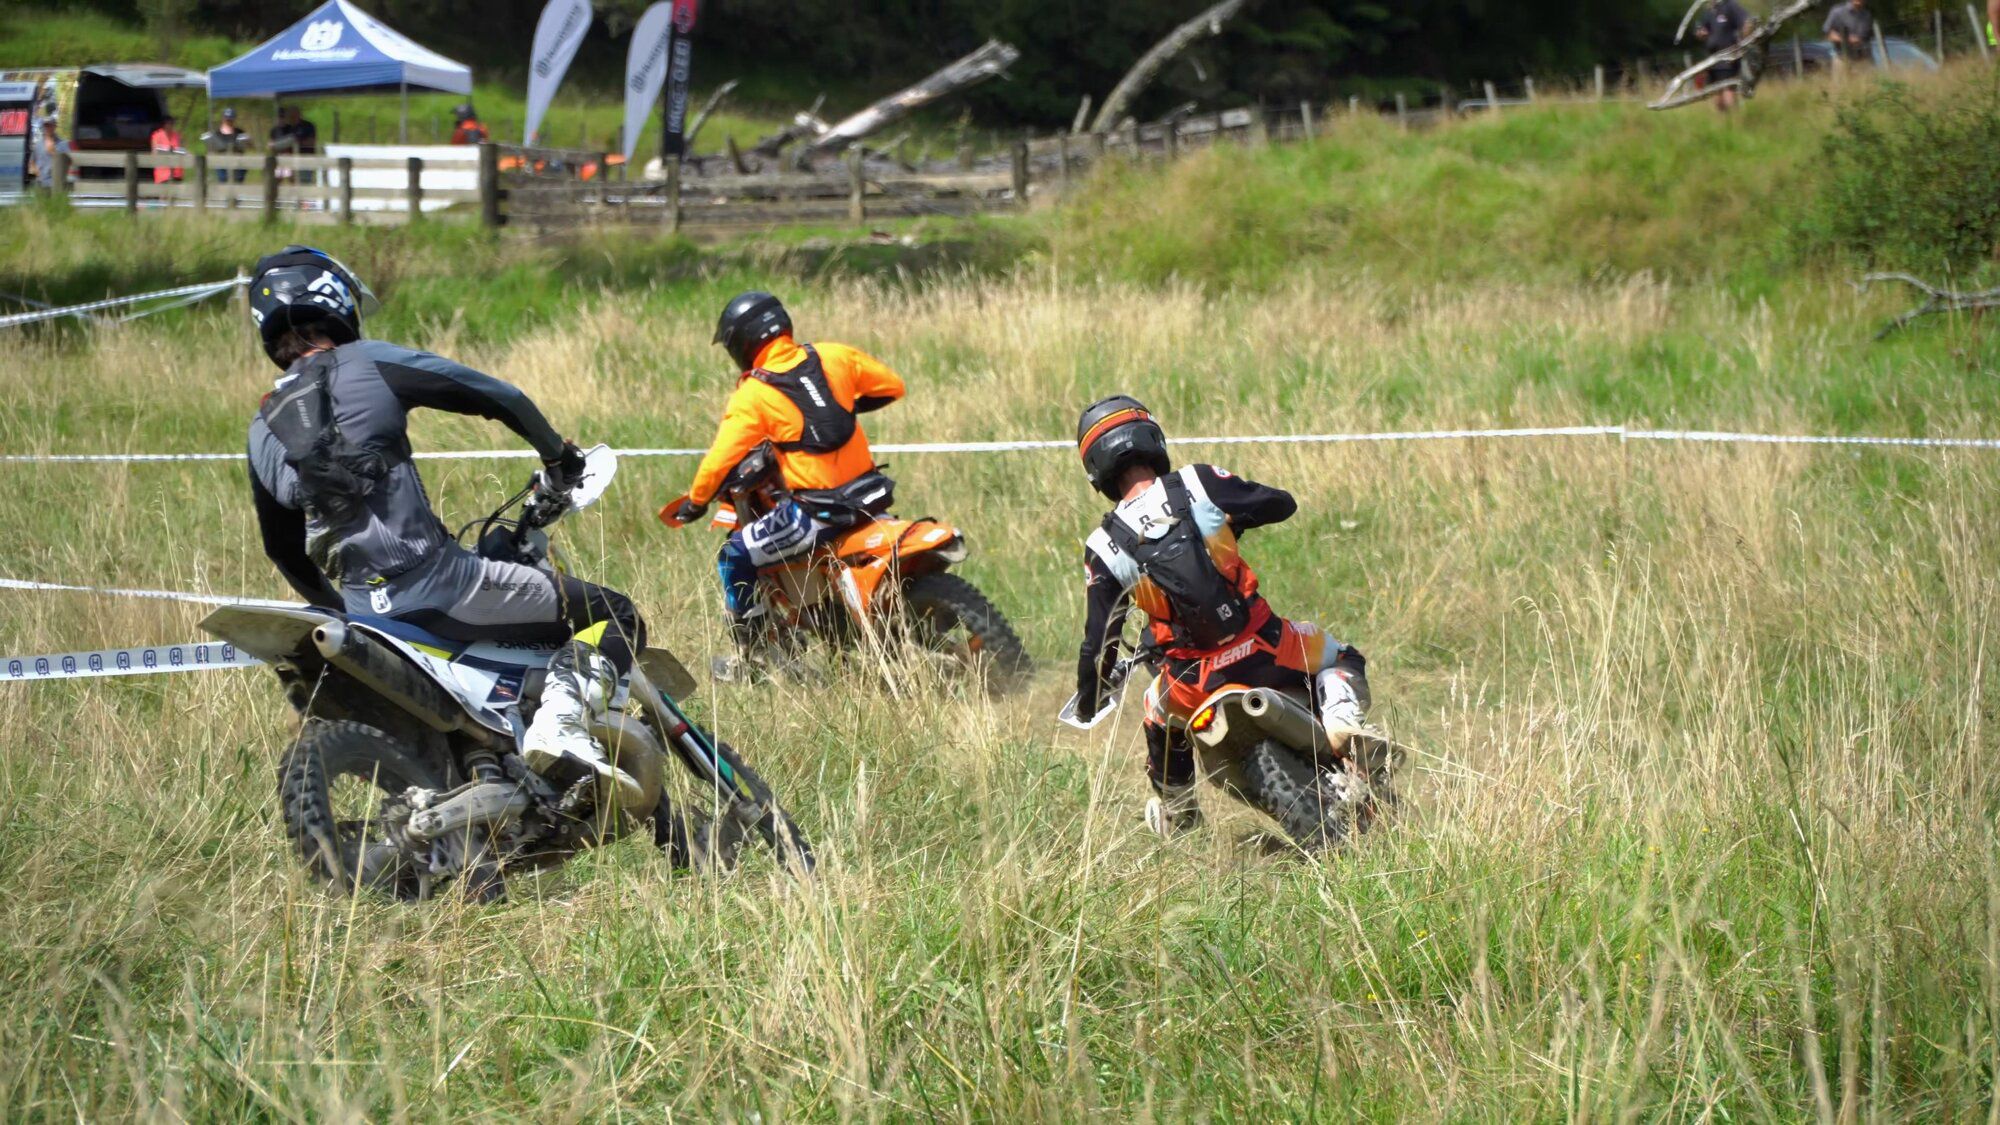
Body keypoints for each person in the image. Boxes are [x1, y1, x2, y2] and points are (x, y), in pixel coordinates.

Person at [243, 246, 649, 802]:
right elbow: (497, 396)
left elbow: (282, 550)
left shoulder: (261, 428)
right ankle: (561, 724)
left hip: (367, 613)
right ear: (336, 299)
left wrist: (349, 614)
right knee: (616, 616)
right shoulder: (369, 361)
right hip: (446, 587)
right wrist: (558, 457)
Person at [1068, 396, 1371, 837]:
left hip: (1193, 683)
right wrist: (1233, 519)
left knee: (1154, 710)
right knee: (1341, 657)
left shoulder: (1103, 546)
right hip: (1267, 647)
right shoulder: (1199, 482)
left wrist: (1088, 699)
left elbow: (1098, 644)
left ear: (1094, 466)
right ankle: (1344, 724)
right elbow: (1281, 504)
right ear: (1151, 439)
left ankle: (1179, 811)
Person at [660, 292, 905, 655]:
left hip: (818, 514)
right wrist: (835, 407)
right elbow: (892, 387)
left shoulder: (754, 393)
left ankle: (756, 653)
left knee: (734, 556)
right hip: (871, 496)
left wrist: (695, 503)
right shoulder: (833, 355)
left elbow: (719, 460)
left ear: (742, 343)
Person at [1693, 0, 1754, 113]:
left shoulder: (1730, 6)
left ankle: (1734, 120)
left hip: (1728, 58)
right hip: (1712, 59)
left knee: (1728, 90)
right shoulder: (1709, 10)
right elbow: (1700, 30)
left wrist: (1743, 42)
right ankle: (1723, 124)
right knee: (1716, 93)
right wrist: (1701, 33)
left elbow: (1747, 22)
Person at [270, 106, 319, 186]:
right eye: (288, 115)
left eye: (292, 115)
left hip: (305, 159)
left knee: (304, 183)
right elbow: (277, 143)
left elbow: (312, 142)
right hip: (289, 159)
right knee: (279, 179)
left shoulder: (307, 126)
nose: (290, 117)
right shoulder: (287, 128)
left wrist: (296, 143)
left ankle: (303, 197)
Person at [208, 107, 252, 184]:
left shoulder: (240, 132)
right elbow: (211, 150)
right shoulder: (216, 134)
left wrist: (248, 141)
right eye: (227, 119)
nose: (229, 121)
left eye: (231, 119)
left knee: (238, 182)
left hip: (237, 163)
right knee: (223, 182)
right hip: (222, 164)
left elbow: (250, 146)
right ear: (223, 119)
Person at [149, 113, 186, 187]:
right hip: (162, 173)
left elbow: (183, 151)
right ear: (164, 125)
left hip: (176, 172)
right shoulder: (156, 135)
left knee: (175, 194)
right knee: (163, 194)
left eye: (172, 123)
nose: (171, 125)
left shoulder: (178, 136)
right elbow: (155, 152)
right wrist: (168, 150)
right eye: (169, 123)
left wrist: (176, 151)